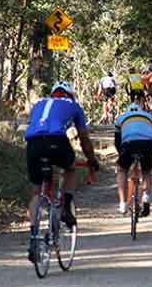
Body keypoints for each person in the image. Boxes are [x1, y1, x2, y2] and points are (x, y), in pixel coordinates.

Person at [23, 81, 100, 259]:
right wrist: (91, 159)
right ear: (70, 95)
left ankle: (34, 235)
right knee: (70, 169)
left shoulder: (38, 104)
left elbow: (36, 124)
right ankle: (65, 206)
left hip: (33, 145)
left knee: (36, 192)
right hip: (57, 141)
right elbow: (84, 139)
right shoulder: (73, 105)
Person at [114, 103, 152, 216]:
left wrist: (122, 156)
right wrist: (151, 153)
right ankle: (146, 197)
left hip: (129, 144)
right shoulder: (149, 117)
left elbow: (117, 141)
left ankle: (123, 204)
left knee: (122, 170)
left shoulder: (121, 118)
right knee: (147, 171)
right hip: (148, 143)